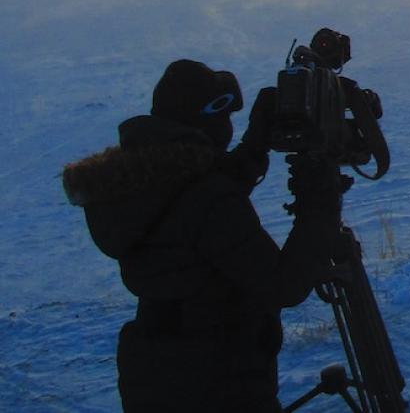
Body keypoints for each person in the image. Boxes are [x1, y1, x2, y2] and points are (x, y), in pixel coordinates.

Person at [62, 59, 342, 412]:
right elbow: (283, 284)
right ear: (203, 122)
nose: (227, 127)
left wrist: (255, 143)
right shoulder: (206, 198)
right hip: (220, 383)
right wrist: (319, 204)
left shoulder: (144, 181)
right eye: (222, 117)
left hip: (157, 375)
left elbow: (197, 199)